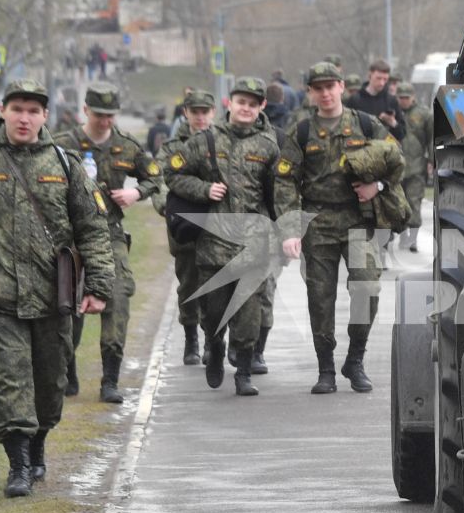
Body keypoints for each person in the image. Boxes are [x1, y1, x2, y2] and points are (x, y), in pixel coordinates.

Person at [0, 78, 114, 498]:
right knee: (10, 379)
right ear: (3, 111)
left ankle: (38, 443)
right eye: (17, 108)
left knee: (50, 382)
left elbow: (92, 228)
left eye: (33, 110)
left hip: (54, 297)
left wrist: (98, 284)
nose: (24, 117)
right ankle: (18, 462)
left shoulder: (65, 164)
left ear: (44, 116)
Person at [275, 59, 405, 393]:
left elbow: (396, 158)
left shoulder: (365, 123)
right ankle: (326, 369)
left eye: (330, 86)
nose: (325, 93)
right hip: (317, 223)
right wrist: (291, 230)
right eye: (318, 88)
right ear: (310, 93)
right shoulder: (301, 132)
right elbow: (285, 182)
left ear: (341, 88)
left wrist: (377, 187)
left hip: (357, 220)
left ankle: (355, 359)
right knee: (320, 298)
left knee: (367, 288)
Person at [166, 77, 279, 395]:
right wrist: (203, 189)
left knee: (248, 314)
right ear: (230, 104)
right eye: (241, 102)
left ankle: (243, 373)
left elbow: (279, 194)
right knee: (214, 313)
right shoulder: (205, 142)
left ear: (261, 108)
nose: (246, 108)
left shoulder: (268, 147)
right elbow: (173, 174)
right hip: (213, 246)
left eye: (253, 104)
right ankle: (214, 347)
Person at [54, 85, 160, 404]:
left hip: (109, 232)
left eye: (111, 116)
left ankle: (110, 379)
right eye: (99, 115)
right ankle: (67, 367)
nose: (105, 122)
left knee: (116, 299)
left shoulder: (125, 146)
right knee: (66, 302)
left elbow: (154, 176)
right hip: (69, 237)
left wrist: (136, 193)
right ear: (86, 111)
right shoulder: (62, 145)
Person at [163, 90, 218, 365]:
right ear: (186, 113)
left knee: (214, 285)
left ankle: (211, 340)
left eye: (204, 111)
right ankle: (191, 339)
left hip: (216, 224)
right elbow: (163, 182)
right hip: (185, 224)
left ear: (213, 112)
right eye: (194, 111)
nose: (200, 117)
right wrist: (169, 208)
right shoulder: (173, 146)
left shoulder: (221, 142)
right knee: (188, 283)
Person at [394, 81, 431, 252]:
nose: (403, 101)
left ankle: (413, 238)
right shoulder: (392, 113)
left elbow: (431, 139)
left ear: (413, 97)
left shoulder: (424, 114)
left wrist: (432, 161)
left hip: (416, 166)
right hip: (396, 168)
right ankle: (402, 236)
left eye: (406, 98)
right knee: (399, 204)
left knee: (414, 202)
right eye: (400, 97)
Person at [346, 58, 405, 139]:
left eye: (385, 79)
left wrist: (392, 122)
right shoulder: (355, 100)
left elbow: (401, 134)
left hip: (386, 148)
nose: (382, 83)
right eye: (378, 78)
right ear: (370, 75)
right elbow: (346, 129)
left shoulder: (391, 101)